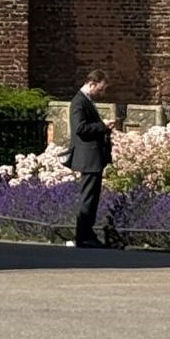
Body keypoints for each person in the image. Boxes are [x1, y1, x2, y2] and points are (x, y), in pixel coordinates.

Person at [63, 68, 118, 248]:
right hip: (88, 158)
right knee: (88, 198)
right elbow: (80, 129)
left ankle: (87, 233)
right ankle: (84, 236)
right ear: (92, 83)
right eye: (100, 89)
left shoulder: (86, 101)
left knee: (92, 198)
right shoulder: (79, 102)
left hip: (93, 157)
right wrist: (102, 125)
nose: (102, 93)